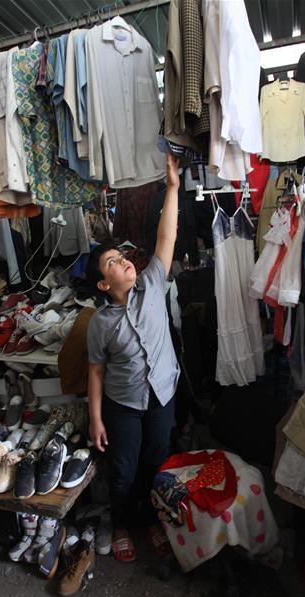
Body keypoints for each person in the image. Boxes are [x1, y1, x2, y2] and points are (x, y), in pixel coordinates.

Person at [85, 152, 181, 563]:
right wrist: (95, 418)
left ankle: (153, 521)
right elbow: (95, 371)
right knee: (123, 470)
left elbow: (166, 238)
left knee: (155, 463)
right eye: (113, 263)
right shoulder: (100, 323)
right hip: (123, 404)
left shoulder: (153, 284)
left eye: (122, 257)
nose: (124, 261)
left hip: (162, 397)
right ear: (104, 285)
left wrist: (173, 188)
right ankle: (123, 523)